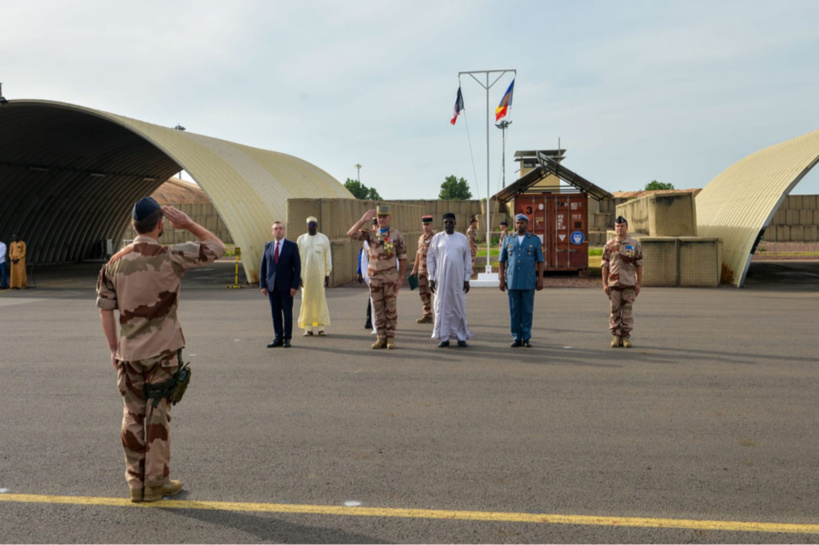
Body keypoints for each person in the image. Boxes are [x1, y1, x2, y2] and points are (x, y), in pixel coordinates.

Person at [95, 197, 226, 503]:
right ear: (160, 224)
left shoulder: (113, 263)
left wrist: (114, 348)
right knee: (157, 416)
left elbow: (104, 309)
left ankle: (135, 484)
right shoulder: (171, 256)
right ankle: (156, 482)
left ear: (132, 225)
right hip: (163, 353)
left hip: (129, 354)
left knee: (132, 415)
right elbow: (217, 248)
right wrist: (189, 224)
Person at [347, 206, 407, 349]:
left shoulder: (397, 235)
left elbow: (403, 257)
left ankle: (391, 337)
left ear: (390, 218)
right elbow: (351, 233)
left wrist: (401, 277)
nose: (382, 219)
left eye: (385, 217)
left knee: (391, 309)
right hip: (375, 278)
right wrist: (363, 220)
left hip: (390, 278)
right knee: (377, 308)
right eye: (380, 217)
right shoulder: (370, 234)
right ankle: (381, 337)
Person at [498, 214, 544, 347]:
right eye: (517, 223)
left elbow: (540, 261)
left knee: (527, 310)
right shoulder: (508, 240)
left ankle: (526, 337)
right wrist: (501, 279)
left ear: (527, 224)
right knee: (514, 310)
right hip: (512, 280)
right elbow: (501, 260)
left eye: (522, 223)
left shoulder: (534, 240)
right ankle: (516, 337)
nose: (519, 225)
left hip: (528, 280)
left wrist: (540, 279)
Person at [428, 213, 472, 348]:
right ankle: (444, 337)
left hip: (458, 280)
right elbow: (430, 259)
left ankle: (461, 337)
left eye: (451, 222)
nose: (448, 225)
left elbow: (467, 260)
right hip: (441, 281)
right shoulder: (437, 239)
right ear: (443, 224)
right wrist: (431, 278)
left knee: (458, 308)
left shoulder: (462, 239)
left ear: (455, 223)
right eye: (446, 222)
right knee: (442, 307)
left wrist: (466, 279)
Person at [602, 216, 644, 348]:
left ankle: (625, 336)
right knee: (614, 309)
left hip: (629, 282)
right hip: (614, 283)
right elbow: (605, 265)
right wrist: (604, 283)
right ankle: (616, 335)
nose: (620, 228)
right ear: (614, 228)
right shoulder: (609, 245)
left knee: (627, 310)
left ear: (627, 227)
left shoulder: (634, 244)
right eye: (617, 226)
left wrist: (639, 283)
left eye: (622, 226)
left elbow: (639, 264)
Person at [260, 221, 301, 348]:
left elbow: (297, 267)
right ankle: (278, 337)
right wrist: (263, 285)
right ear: (272, 232)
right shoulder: (268, 246)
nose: (278, 231)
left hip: (287, 287)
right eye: (276, 229)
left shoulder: (292, 246)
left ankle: (287, 338)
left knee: (287, 313)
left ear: (284, 231)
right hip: (272, 286)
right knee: (275, 313)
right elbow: (263, 267)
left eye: (280, 228)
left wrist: (295, 286)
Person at [297, 216, 332, 336]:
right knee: (306, 301)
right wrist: (297, 276)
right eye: (309, 225)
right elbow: (297, 260)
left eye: (313, 224)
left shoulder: (323, 239)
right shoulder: (301, 239)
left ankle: (320, 327)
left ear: (317, 226)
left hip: (319, 275)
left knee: (320, 300)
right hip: (305, 276)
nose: (311, 227)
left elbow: (328, 257)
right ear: (306, 226)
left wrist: (327, 274)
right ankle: (308, 328)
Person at [410, 215, 435, 324]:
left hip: (431, 271)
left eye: (428, 224)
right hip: (421, 270)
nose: (426, 227)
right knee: (423, 293)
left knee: (435, 293)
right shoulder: (421, 238)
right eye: (424, 224)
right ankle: (427, 314)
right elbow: (418, 254)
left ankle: (440, 315)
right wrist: (414, 268)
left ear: (432, 225)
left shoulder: (436, 238)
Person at [356, 218, 378, 332]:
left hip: (384, 276)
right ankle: (372, 323)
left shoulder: (388, 238)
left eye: (377, 226)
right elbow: (363, 258)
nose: (375, 228)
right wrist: (362, 274)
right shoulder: (367, 241)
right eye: (374, 226)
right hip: (371, 276)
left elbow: (392, 258)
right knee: (373, 301)